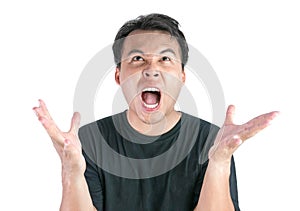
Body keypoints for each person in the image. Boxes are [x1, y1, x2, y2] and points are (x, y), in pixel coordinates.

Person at [33, 13, 279, 211]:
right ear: (119, 76)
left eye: (165, 59)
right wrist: (72, 174)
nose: (151, 69)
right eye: (138, 58)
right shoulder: (89, 141)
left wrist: (219, 163)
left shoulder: (212, 142)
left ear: (182, 77)